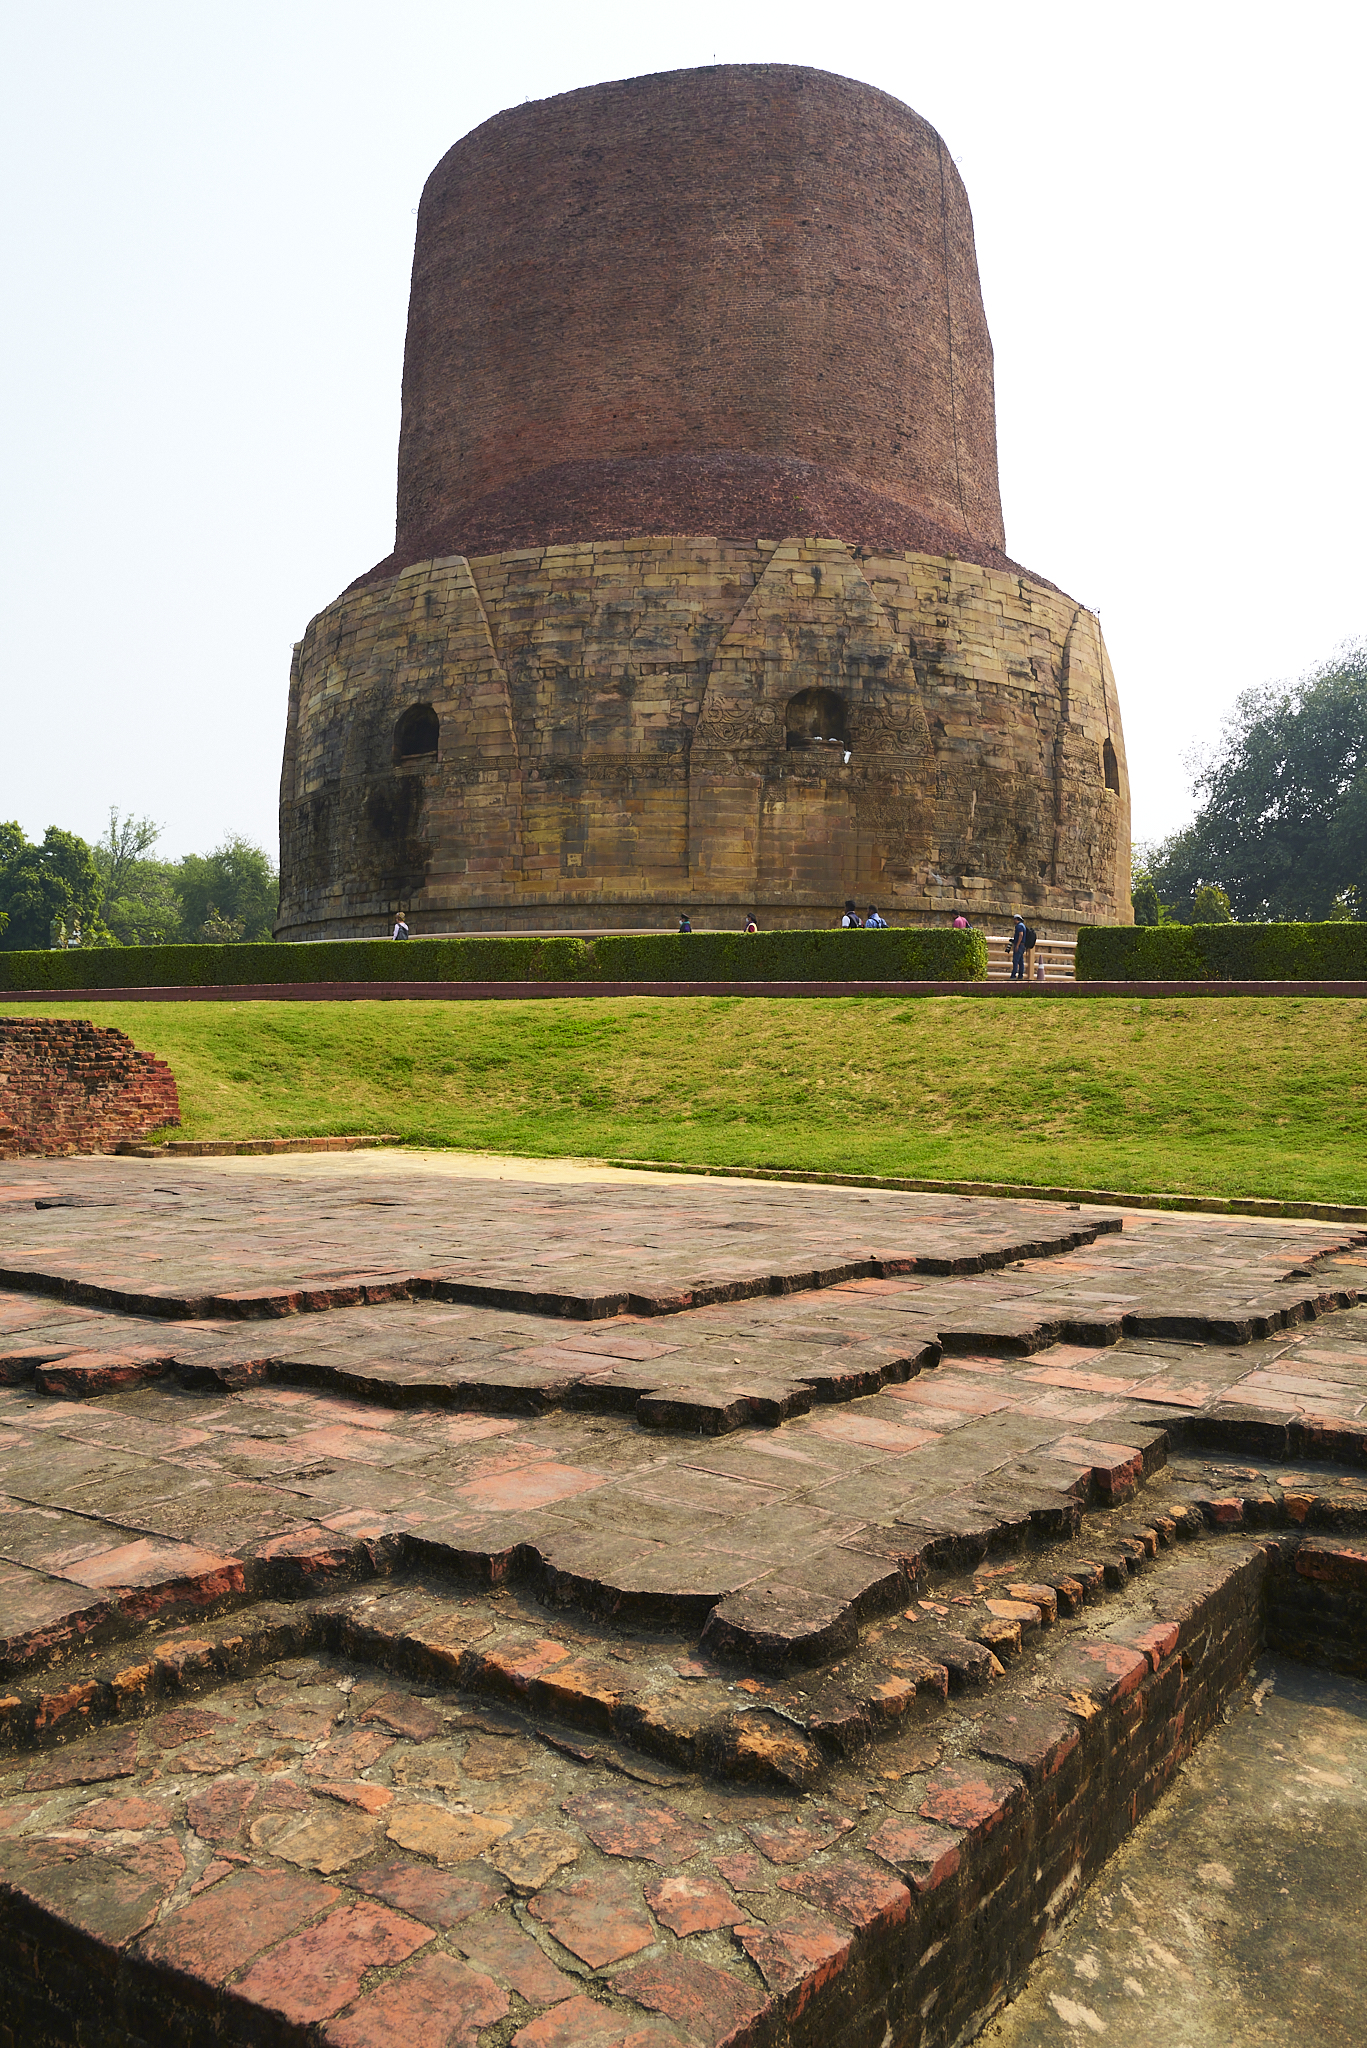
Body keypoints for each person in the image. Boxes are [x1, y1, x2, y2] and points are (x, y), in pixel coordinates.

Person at [1010, 914, 1028, 980]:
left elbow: (1021, 935)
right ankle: (1020, 975)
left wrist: (1017, 945)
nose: (1013, 921)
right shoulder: (1023, 926)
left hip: (1019, 945)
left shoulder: (1019, 926)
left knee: (1015, 960)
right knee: (1020, 961)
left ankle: (1013, 976)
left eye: (1014, 919)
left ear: (1016, 919)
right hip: (1022, 945)